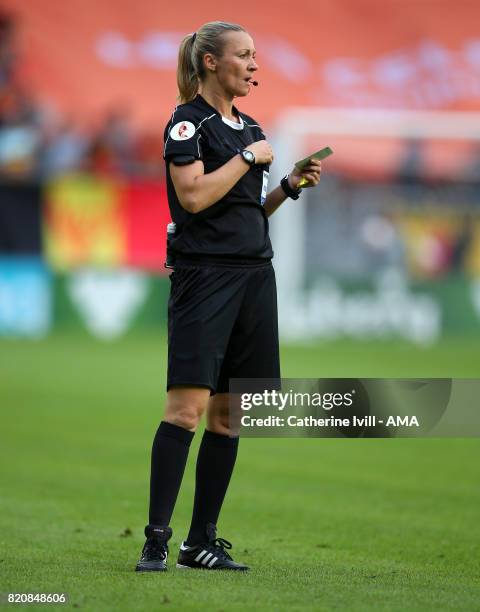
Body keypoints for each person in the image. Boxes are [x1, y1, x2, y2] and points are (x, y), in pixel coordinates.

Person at [135, 21, 322, 572]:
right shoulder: (188, 125)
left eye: (256, 56)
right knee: (186, 411)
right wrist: (247, 159)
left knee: (231, 414)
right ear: (212, 63)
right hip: (206, 278)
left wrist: (286, 186)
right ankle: (156, 539)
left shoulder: (250, 129)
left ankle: (201, 542)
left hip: (254, 278)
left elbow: (244, 212)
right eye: (245, 55)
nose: (255, 65)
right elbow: (193, 198)